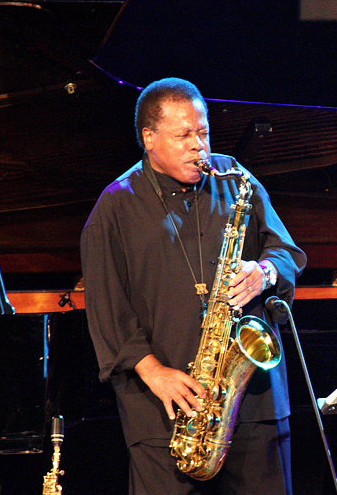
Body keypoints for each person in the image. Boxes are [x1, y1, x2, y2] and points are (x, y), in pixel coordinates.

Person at [81, 78, 307, 495]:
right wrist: (153, 371)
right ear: (149, 138)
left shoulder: (235, 178)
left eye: (203, 133)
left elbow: (286, 252)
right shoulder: (115, 206)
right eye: (184, 135)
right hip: (164, 411)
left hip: (254, 404)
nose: (198, 146)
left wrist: (265, 272)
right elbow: (105, 308)